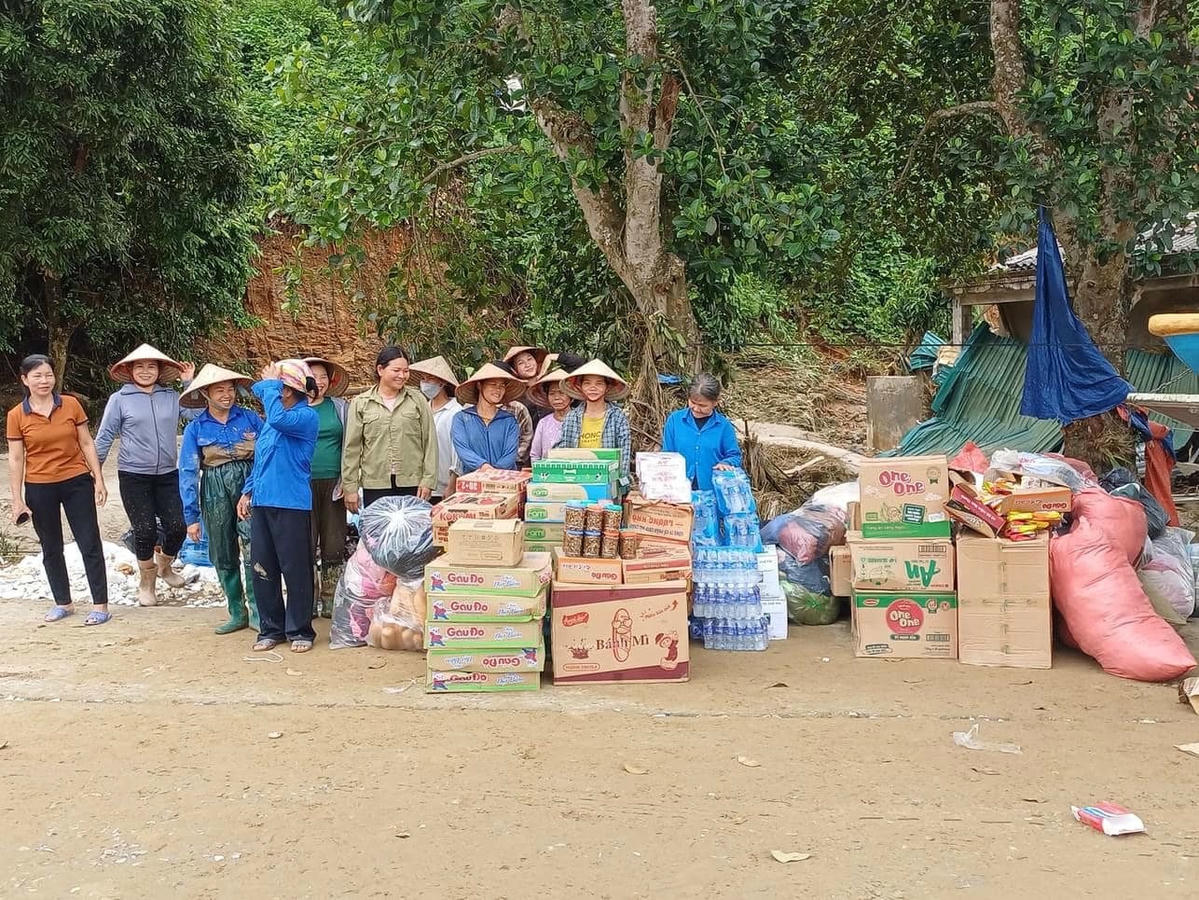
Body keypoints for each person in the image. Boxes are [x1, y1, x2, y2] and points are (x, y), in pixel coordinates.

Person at [7, 355, 111, 624]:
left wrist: (98, 478)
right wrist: (17, 499)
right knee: (51, 547)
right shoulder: (17, 415)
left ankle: (100, 605)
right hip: (39, 486)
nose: (44, 381)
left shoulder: (71, 405)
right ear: (25, 379)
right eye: (37, 376)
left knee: (89, 542)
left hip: (76, 481)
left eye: (48, 375)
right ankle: (63, 602)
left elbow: (87, 443)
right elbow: (16, 458)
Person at [94, 344, 192, 606]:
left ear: (160, 370)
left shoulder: (171, 397)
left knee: (178, 527)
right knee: (145, 530)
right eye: (140, 366)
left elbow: (198, 415)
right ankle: (147, 583)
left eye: (152, 366)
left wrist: (188, 384)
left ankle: (164, 567)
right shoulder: (120, 400)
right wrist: (95, 475)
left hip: (168, 473)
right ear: (129, 370)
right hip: (133, 475)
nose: (146, 371)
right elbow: (104, 438)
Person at [238, 360, 320, 653]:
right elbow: (262, 460)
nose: (273, 391)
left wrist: (269, 385)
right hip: (263, 500)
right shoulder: (273, 421)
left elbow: (277, 419)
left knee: (295, 567)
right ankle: (271, 629)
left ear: (287, 390)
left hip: (291, 503)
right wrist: (247, 492)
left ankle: (300, 630)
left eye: (278, 387)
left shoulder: (305, 417)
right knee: (263, 566)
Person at [179, 364, 262, 635]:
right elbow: (189, 471)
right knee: (222, 550)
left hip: (250, 484)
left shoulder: (250, 419)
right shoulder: (196, 428)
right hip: (214, 488)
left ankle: (259, 613)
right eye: (219, 390)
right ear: (206, 393)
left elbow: (267, 454)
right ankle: (237, 611)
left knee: (255, 548)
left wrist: (251, 488)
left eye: (230, 389)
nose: (227, 395)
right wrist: (191, 517)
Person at [342, 346, 437, 512]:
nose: (402, 376)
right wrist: (350, 487)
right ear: (380, 369)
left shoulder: (417, 400)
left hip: (412, 482)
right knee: (379, 535)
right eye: (396, 370)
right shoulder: (361, 403)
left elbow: (430, 442)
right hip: (375, 484)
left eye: (406, 371)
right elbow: (352, 449)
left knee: (411, 535)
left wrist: (428, 480)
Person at [303, 356, 349, 619]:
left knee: (333, 542)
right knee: (304, 542)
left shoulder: (339, 407)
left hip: (334, 483)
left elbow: (351, 444)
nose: (317, 382)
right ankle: (307, 598)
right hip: (300, 484)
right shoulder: (293, 407)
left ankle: (330, 596)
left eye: (322, 377)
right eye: (312, 376)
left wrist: (347, 479)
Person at [556, 359, 632, 494]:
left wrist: (620, 488)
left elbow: (624, 455)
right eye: (587, 383)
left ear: (607, 387)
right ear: (580, 387)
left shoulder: (617, 417)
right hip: (577, 482)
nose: (593, 388)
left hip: (608, 483)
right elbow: (563, 450)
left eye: (599, 383)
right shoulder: (572, 417)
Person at [661, 373, 743, 491]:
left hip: (712, 492)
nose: (696, 408)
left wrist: (726, 463)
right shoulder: (675, 420)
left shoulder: (724, 426)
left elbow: (735, 456)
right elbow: (667, 454)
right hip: (679, 490)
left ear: (715, 402)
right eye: (693, 402)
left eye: (702, 405)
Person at [451, 363, 524, 474]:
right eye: (493, 384)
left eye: (502, 386)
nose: (498, 389)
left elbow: (510, 454)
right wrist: (483, 466)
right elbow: (463, 450)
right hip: (473, 481)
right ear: (479, 385)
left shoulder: (509, 420)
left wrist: (494, 472)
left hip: (504, 481)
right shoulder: (461, 418)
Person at [409, 356, 462, 503]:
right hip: (422, 485)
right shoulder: (421, 409)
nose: (425, 383)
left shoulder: (455, 412)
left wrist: (452, 484)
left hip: (445, 485)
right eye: (423, 379)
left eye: (430, 379)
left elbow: (457, 452)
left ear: (442, 382)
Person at [528, 368, 572, 463]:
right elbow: (535, 455)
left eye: (561, 393)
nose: (556, 398)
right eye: (552, 393)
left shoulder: (580, 420)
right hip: (547, 475)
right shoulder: (544, 423)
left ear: (571, 396)